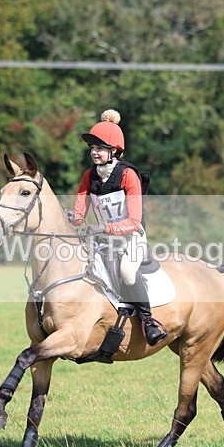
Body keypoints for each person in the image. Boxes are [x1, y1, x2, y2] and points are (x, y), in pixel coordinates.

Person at [70, 109, 168, 346]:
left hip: (131, 238)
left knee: (126, 271)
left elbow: (133, 221)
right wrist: (68, 218)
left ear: (114, 151)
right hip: (103, 240)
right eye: (92, 147)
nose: (94, 152)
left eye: (100, 147)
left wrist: (102, 227)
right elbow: (79, 216)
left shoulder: (128, 175)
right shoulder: (89, 176)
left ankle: (148, 321)